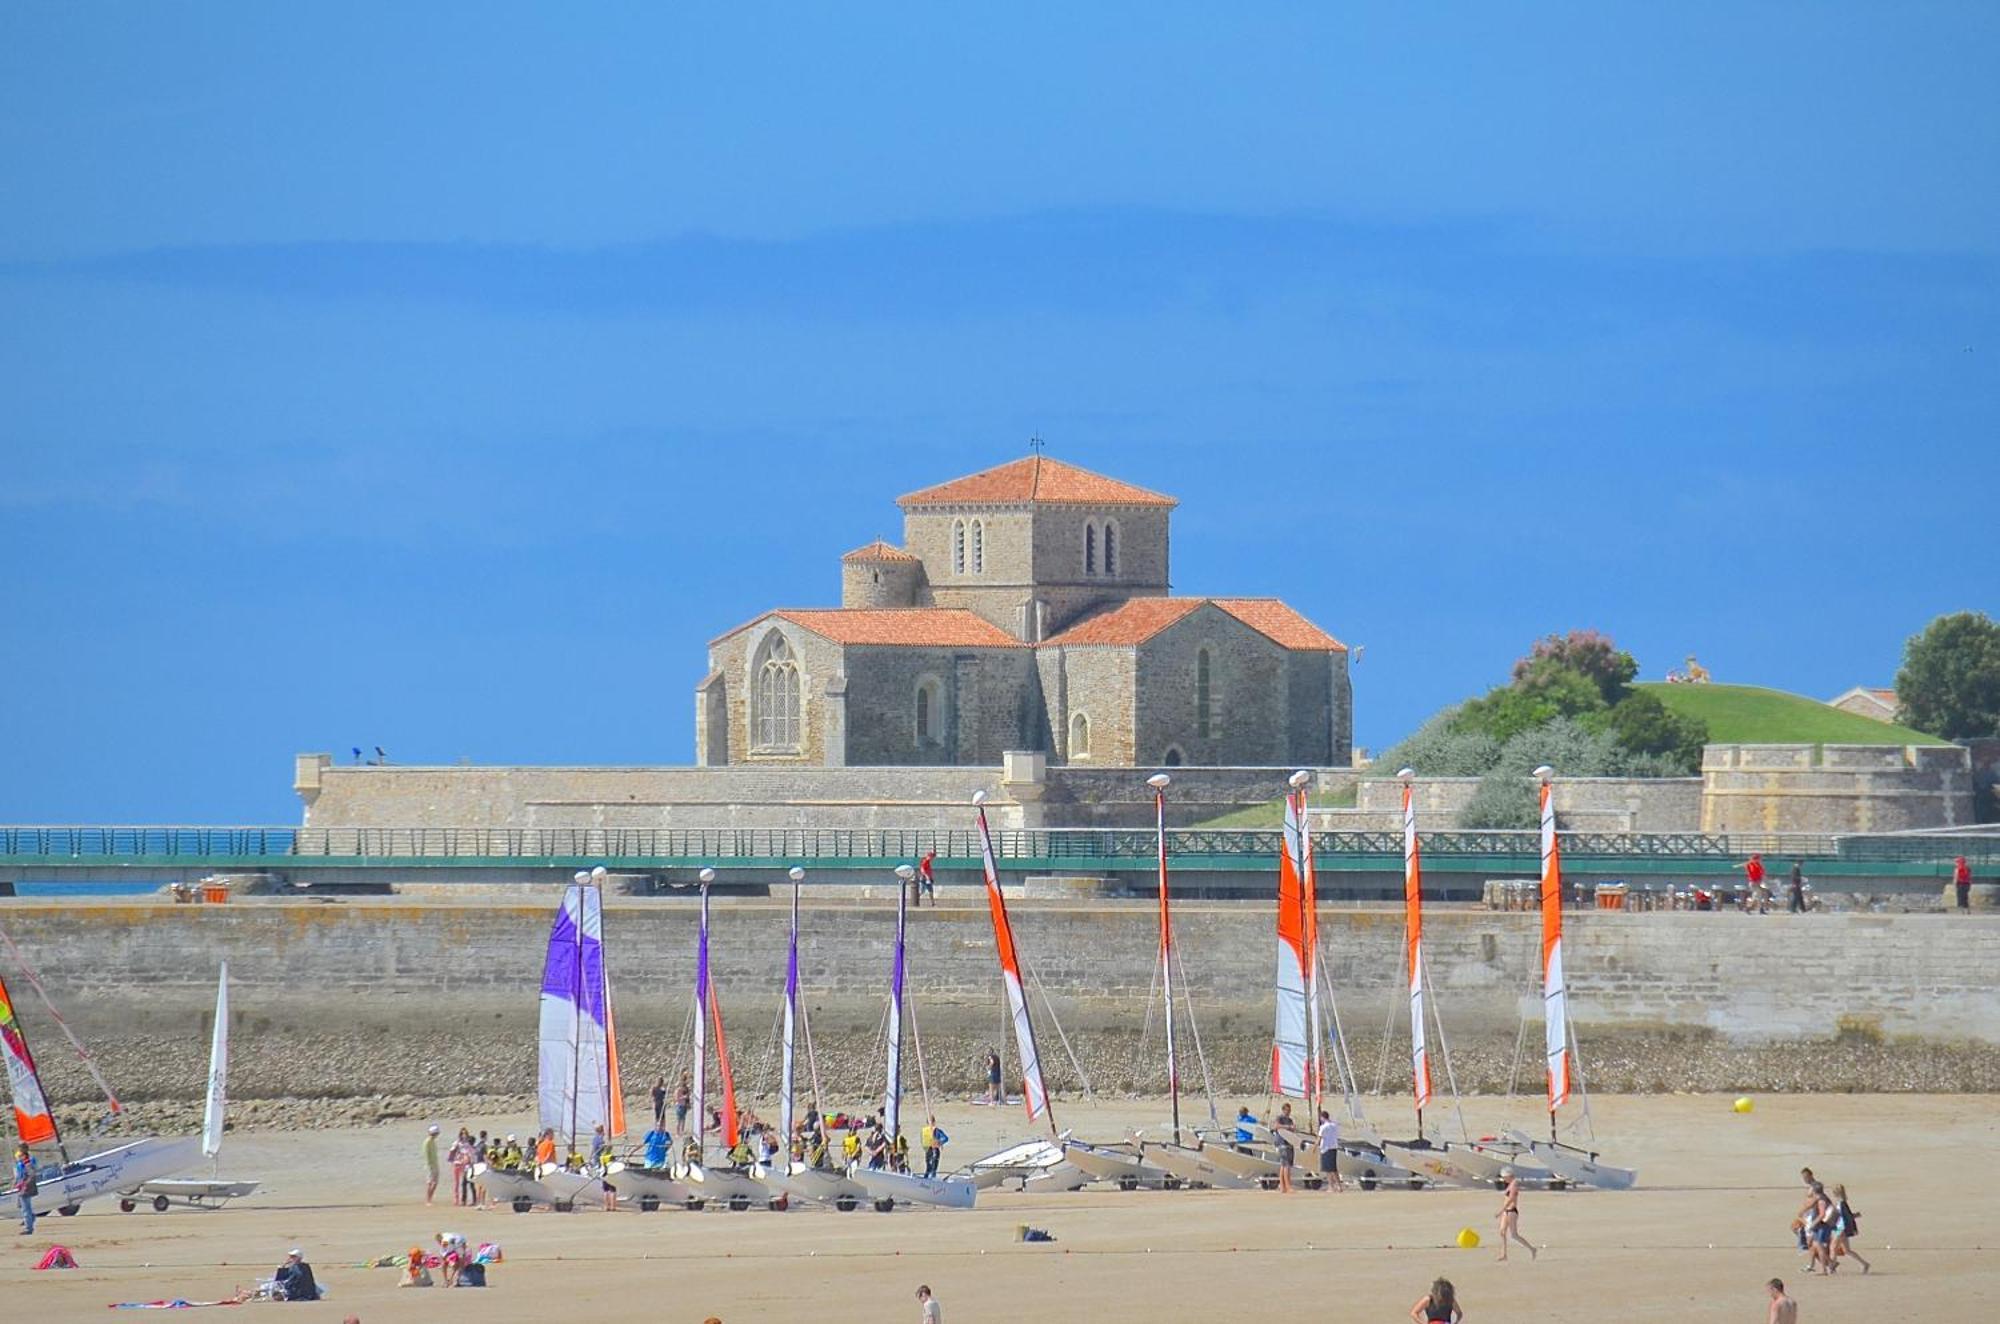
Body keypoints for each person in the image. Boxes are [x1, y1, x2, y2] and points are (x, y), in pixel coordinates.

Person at [1495, 1169, 1537, 1261]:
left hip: (1511, 1211)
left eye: (1505, 1177)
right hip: (1507, 1211)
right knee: (1502, 1232)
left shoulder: (1514, 1184)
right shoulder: (1510, 1184)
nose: (1504, 1179)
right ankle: (1504, 1254)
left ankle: (1532, 1249)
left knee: (1514, 1235)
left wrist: (1501, 1211)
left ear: (1509, 1176)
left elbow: (1511, 1198)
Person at [1828, 1183, 1869, 1274]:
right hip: (1841, 1227)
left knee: (1833, 1247)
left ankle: (1831, 1268)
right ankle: (1864, 1264)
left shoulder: (1842, 1203)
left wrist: (1854, 1216)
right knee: (1846, 1250)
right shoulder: (1841, 1202)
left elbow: (1847, 1216)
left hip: (1840, 1228)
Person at [1314, 1110, 1344, 1193]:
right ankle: (1338, 1186)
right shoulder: (1334, 1125)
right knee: (1333, 1168)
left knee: (1328, 1169)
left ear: (1322, 1118)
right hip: (1333, 1147)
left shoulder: (1323, 1127)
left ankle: (1331, 1186)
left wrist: (1314, 1148)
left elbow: (1319, 1138)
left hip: (1326, 1148)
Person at [13, 1143, 36, 1236]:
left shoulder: (28, 1163)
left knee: (26, 1208)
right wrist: (16, 1182)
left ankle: (28, 1228)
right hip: (23, 1187)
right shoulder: (24, 1162)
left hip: (26, 1188)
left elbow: (31, 1175)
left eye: (20, 1155)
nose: (19, 1157)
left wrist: (24, 1183)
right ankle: (31, 1219)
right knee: (24, 1206)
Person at [1271, 1109, 1296, 1193]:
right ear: (1283, 1110)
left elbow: (1293, 1129)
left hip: (1289, 1143)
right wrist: (1288, 1127)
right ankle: (1287, 1186)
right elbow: (1276, 1126)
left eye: (1289, 1110)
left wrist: (1292, 1128)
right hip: (1282, 1144)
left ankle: (1283, 1187)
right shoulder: (1279, 1118)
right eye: (1287, 1110)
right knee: (1286, 1165)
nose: (1288, 1112)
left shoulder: (1290, 1120)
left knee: (1284, 1165)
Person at [422, 1124, 441, 1205]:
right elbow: (426, 1154)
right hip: (430, 1166)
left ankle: (430, 1199)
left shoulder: (433, 1141)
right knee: (430, 1183)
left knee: (435, 1183)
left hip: (435, 1164)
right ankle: (428, 1200)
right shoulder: (427, 1142)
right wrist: (429, 1165)